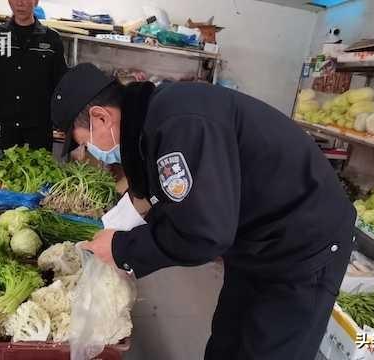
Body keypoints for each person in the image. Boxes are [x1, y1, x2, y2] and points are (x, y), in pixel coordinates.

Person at [51, 63, 356, 360]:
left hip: (303, 244)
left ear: (100, 117)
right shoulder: (152, 119)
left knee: (270, 347)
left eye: (85, 143)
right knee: (228, 339)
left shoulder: (180, 125)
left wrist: (122, 249)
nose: (91, 153)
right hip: (255, 238)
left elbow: (203, 235)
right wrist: (115, 225)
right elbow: (161, 194)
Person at [0, 0, 67, 151]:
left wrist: (64, 118)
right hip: (8, 121)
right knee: (10, 169)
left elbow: (61, 83)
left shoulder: (51, 39)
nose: (20, 3)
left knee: (39, 170)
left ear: (36, 1)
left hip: (40, 124)